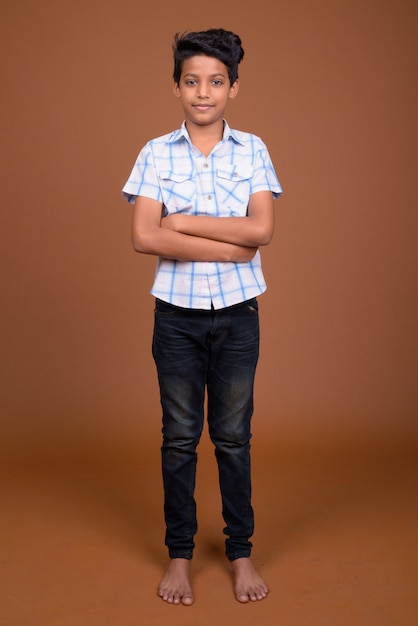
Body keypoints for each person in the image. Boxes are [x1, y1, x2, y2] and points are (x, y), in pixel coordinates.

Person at [122, 28, 282, 605]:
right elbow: (143, 237)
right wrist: (232, 243)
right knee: (180, 439)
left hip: (239, 316)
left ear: (233, 88)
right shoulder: (155, 152)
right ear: (176, 87)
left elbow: (261, 231)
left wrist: (181, 223)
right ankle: (180, 556)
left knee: (234, 439)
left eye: (216, 81)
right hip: (176, 320)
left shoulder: (254, 150)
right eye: (192, 81)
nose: (203, 92)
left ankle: (240, 552)